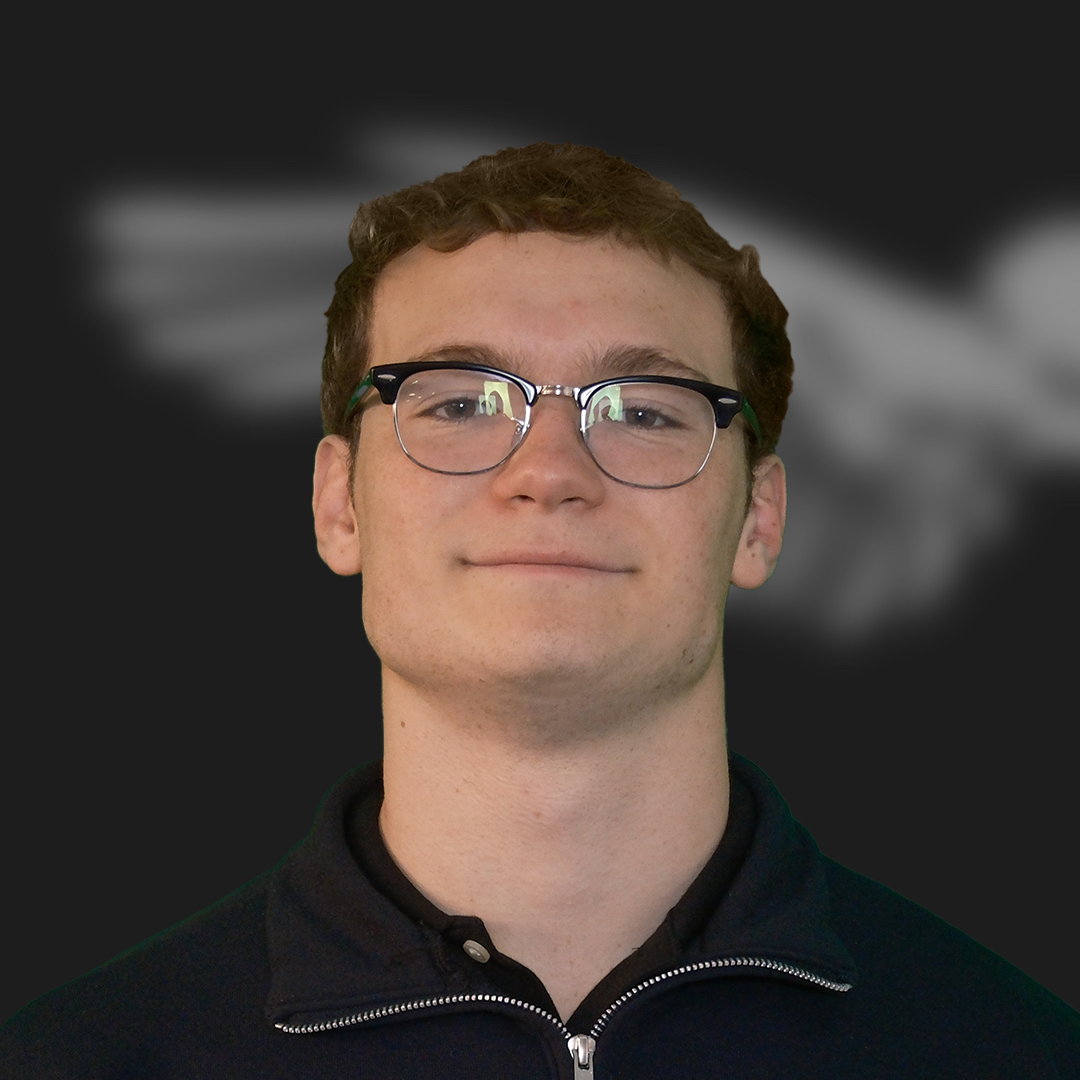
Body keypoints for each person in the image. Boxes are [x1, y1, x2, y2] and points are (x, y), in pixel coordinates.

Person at [3, 143, 1077, 1078]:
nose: (550, 470)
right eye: (460, 402)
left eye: (645, 411)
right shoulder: (79, 1060)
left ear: (758, 518)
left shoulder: (1014, 1052)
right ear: (340, 504)